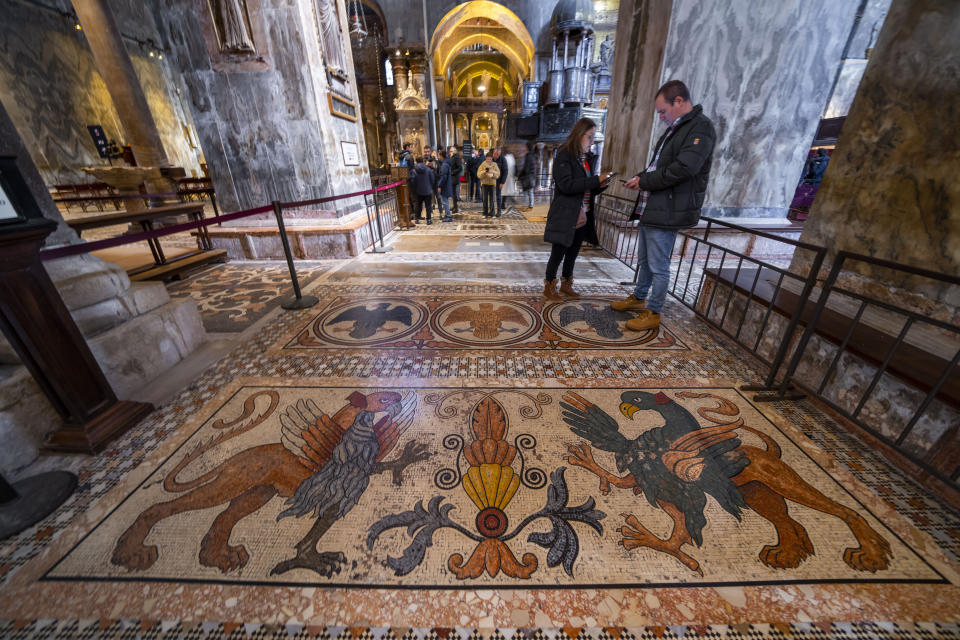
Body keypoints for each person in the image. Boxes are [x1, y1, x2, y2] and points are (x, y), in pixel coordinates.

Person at [611, 80, 717, 331]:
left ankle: (654, 311)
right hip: (655, 206)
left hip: (669, 209)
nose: (660, 117)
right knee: (645, 261)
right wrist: (640, 177)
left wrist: (646, 181)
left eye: (662, 111)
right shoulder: (678, 129)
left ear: (678, 101)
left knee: (659, 265)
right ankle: (638, 297)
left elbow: (683, 168)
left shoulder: (700, 128)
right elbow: (658, 166)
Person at [543, 118, 614, 300]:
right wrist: (595, 180)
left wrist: (601, 184)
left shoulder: (586, 159)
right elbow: (566, 185)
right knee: (558, 253)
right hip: (567, 214)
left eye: (593, 138)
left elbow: (587, 186)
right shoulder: (564, 155)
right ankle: (549, 286)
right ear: (579, 134)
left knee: (573, 253)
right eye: (590, 137)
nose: (592, 142)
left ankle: (567, 284)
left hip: (584, 213)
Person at [411, 156, 437, 225]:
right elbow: (432, 179)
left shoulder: (414, 170)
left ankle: (417, 219)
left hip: (418, 191)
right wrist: (430, 186)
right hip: (427, 190)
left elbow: (413, 181)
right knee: (428, 206)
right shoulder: (428, 169)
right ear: (423, 161)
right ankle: (428, 220)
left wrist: (414, 189)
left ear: (416, 161)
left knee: (418, 205)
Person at [478, 151, 500, 218]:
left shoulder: (495, 165)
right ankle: (485, 213)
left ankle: (492, 213)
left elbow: (498, 174)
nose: (489, 160)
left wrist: (492, 173)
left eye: (490, 159)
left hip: (492, 184)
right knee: (485, 199)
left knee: (492, 199)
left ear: (492, 159)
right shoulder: (482, 164)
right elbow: (478, 174)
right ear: (486, 158)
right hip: (484, 184)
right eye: (487, 159)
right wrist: (484, 172)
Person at [436, 149, 454, 222]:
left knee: (445, 201)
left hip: (445, 185)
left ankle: (448, 216)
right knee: (445, 201)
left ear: (441, 156)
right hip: (447, 184)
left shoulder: (444, 165)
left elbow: (443, 177)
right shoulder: (446, 163)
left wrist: (439, 185)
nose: (438, 157)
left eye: (439, 155)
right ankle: (447, 215)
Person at [519, 140, 537, 209]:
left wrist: (521, 174)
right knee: (530, 191)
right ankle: (530, 205)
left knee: (527, 191)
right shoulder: (533, 155)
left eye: (525, 147)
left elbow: (526, 167)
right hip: (532, 176)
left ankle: (528, 205)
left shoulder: (528, 156)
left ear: (527, 147)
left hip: (528, 176)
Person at [448, 146, 463, 213]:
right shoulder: (451, 158)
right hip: (451, 177)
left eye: (452, 151)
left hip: (454, 177)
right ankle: (454, 206)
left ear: (455, 151)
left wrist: (452, 172)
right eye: (450, 151)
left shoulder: (456, 158)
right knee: (453, 193)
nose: (451, 152)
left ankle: (456, 207)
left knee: (454, 193)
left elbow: (460, 168)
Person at [493, 148, 507, 216]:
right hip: (491, 180)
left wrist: (502, 182)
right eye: (495, 154)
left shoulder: (503, 159)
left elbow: (505, 171)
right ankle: (492, 210)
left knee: (498, 196)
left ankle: (499, 211)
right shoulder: (491, 158)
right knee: (491, 196)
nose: (496, 155)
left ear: (500, 154)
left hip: (499, 180)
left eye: (497, 154)